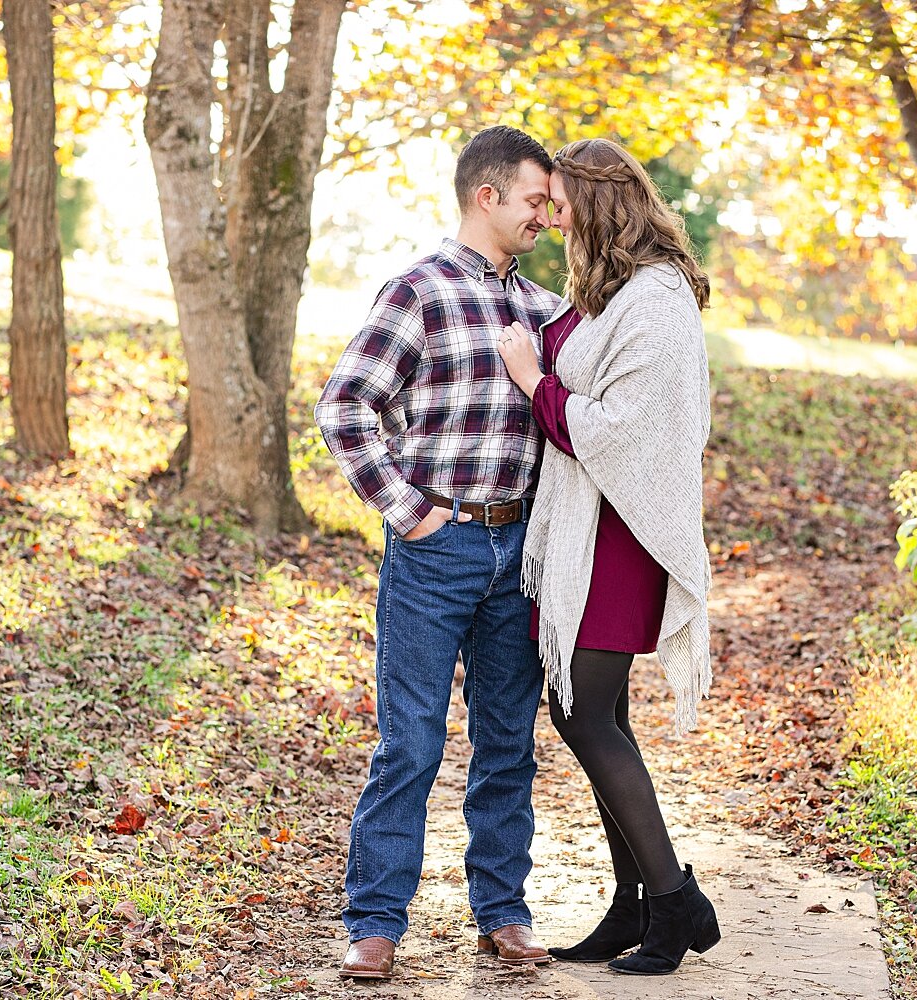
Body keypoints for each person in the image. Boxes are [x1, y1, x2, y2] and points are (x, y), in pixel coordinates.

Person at [314, 125, 564, 980]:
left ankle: (504, 911)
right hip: (435, 550)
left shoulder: (542, 310)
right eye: (536, 198)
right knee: (411, 742)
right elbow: (345, 406)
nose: (547, 215)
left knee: (507, 742)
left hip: (518, 553)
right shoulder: (418, 291)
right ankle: (376, 921)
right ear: (486, 196)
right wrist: (411, 513)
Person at [494, 137, 719, 976]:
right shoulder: (619, 289)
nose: (551, 219)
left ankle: (675, 903)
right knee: (593, 714)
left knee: (587, 716)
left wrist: (533, 382)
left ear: (597, 204)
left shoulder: (657, 296)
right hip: (595, 530)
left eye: (558, 205)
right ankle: (634, 903)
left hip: (623, 533)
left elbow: (620, 433)